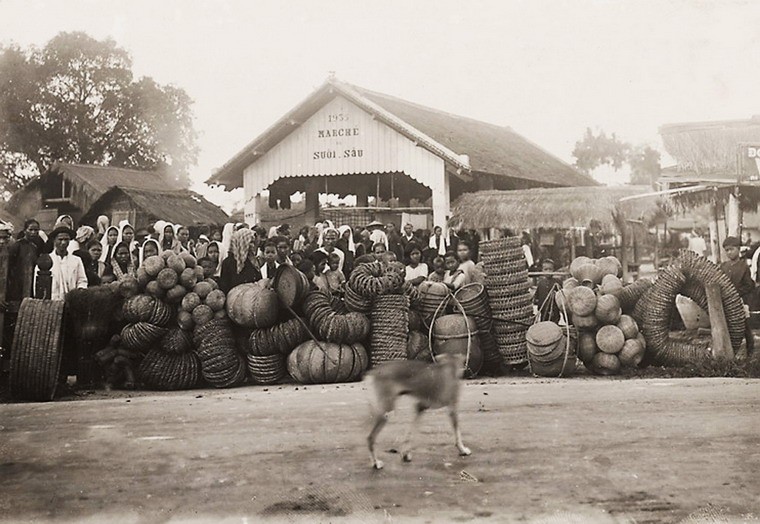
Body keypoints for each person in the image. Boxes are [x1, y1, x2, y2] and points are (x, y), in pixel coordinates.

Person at [720, 236, 755, 356]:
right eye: (727, 250)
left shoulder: (743, 266)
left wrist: (736, 292)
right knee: (728, 324)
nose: (729, 252)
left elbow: (749, 285)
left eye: (731, 249)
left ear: (738, 249)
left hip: (739, 300)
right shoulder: (723, 266)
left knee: (744, 324)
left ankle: (750, 349)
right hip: (726, 301)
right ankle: (729, 351)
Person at [37, 227, 88, 301]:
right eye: (60, 239)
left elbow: (82, 280)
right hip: (52, 301)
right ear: (54, 240)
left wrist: (79, 291)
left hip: (71, 301)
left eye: (66, 239)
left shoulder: (76, 260)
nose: (63, 242)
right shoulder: (46, 260)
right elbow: (39, 284)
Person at [219, 228, 262, 293]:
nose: (252, 245)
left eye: (253, 242)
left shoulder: (253, 261)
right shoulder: (228, 263)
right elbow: (224, 287)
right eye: (250, 242)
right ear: (241, 242)